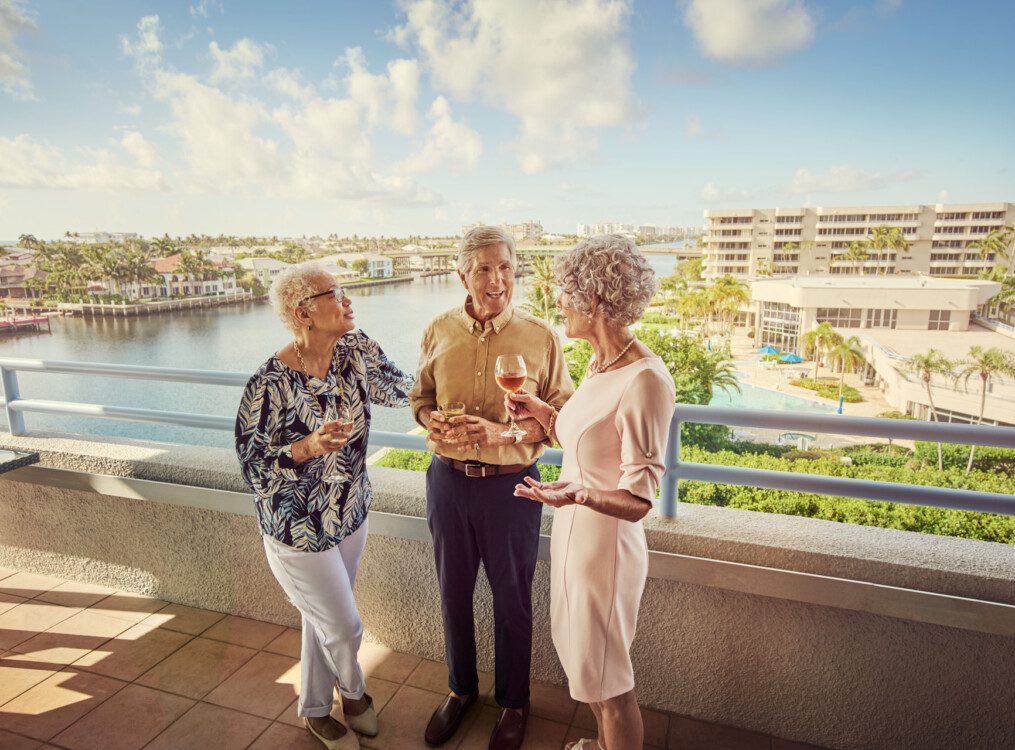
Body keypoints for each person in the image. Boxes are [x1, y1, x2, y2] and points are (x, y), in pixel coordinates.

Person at [506, 235, 675, 750]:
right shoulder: (602, 363)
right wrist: (545, 414)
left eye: (564, 292)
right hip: (574, 539)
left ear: (595, 301)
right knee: (590, 670)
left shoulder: (645, 380)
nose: (557, 302)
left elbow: (639, 500)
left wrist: (578, 496)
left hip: (606, 550)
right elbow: (588, 443)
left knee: (612, 684)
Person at [235, 261, 413, 750]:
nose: (347, 299)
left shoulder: (354, 349)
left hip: (351, 512)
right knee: (345, 625)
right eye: (335, 293)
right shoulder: (268, 384)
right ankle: (354, 696)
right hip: (297, 528)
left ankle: (315, 711)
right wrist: (306, 447)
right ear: (304, 312)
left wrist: (449, 402)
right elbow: (252, 469)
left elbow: (400, 387)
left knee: (323, 619)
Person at [409, 225, 573, 750]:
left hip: (513, 487)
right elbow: (421, 397)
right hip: (448, 484)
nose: (496, 279)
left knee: (512, 600)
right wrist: (430, 420)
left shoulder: (541, 337)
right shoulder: (437, 329)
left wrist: (507, 434)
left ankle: (513, 703)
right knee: (452, 593)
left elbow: (561, 417)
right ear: (462, 274)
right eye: (483, 268)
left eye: (505, 267)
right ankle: (460, 691)